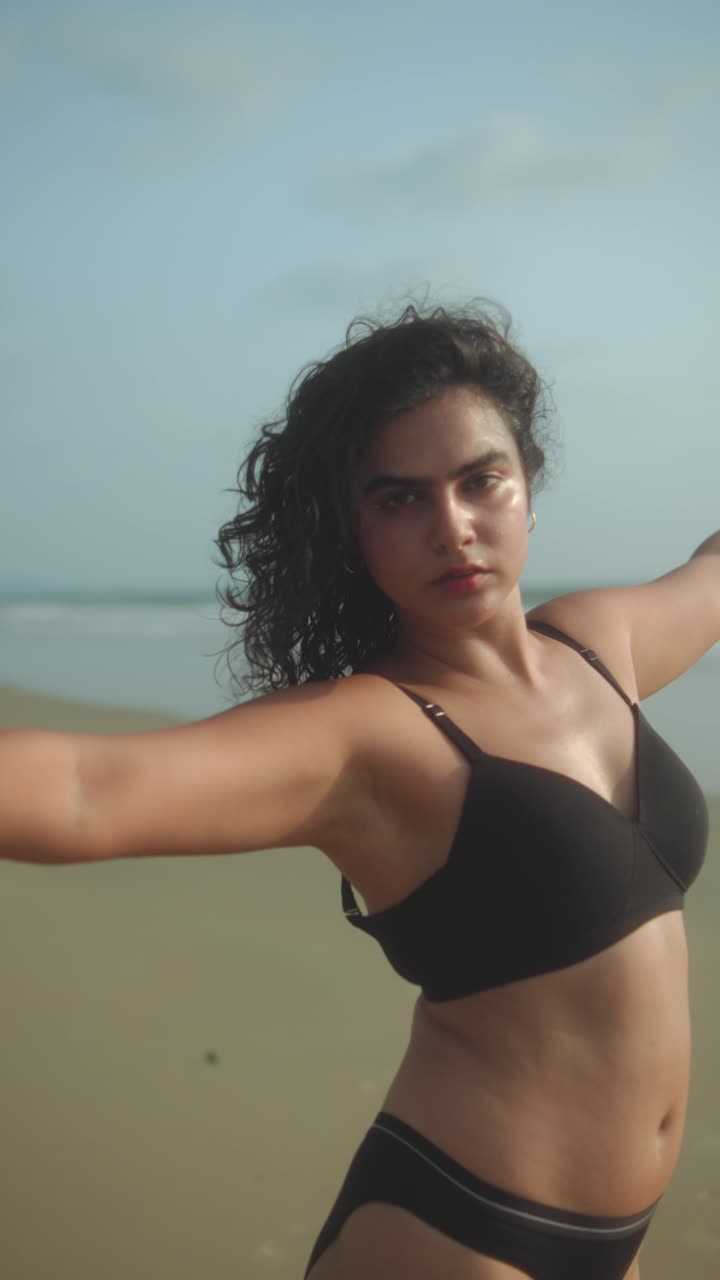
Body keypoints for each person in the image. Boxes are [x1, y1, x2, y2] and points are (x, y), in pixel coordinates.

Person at [2, 302, 717, 1280]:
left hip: (617, 1244)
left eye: (480, 480)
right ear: (355, 535)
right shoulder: (368, 733)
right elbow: (88, 789)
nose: (452, 528)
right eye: (399, 500)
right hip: (462, 1233)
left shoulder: (603, 643)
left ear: (529, 489)